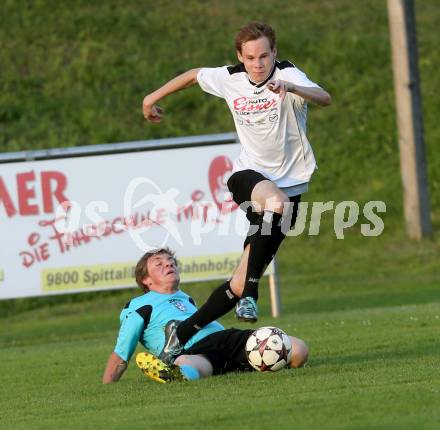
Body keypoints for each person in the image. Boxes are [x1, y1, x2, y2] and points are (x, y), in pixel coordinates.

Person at [142, 22, 330, 362]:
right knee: (274, 201)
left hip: (291, 188)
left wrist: (291, 87)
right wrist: (151, 98)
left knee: (238, 282)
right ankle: (253, 295)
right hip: (248, 176)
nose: (258, 64)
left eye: (264, 56)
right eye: (250, 58)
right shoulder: (231, 78)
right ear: (239, 57)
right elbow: (193, 75)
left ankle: (180, 334)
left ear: (274, 52)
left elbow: (325, 97)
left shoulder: (289, 74)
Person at [102, 248, 309, 384]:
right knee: (188, 365)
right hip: (195, 352)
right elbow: (121, 353)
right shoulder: (138, 307)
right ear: (145, 279)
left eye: (171, 261)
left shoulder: (186, 298)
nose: (169, 264)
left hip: (227, 340)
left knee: (299, 350)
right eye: (159, 263)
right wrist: (108, 387)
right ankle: (174, 374)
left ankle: (246, 365)